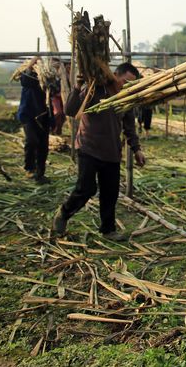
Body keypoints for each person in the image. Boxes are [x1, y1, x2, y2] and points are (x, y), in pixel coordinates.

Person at [52, 62, 146, 241]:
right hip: (89, 146)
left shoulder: (125, 98)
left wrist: (137, 150)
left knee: (110, 192)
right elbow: (70, 110)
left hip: (111, 151)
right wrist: (78, 86)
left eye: (131, 84)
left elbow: (129, 127)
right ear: (115, 76)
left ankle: (108, 230)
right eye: (125, 82)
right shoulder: (96, 88)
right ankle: (63, 214)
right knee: (86, 188)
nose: (127, 86)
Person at [17, 60, 51, 184]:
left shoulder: (48, 80)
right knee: (32, 141)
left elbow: (56, 88)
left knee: (43, 146)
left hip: (44, 117)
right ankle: (29, 168)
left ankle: (40, 173)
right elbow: (25, 78)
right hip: (28, 116)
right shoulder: (28, 79)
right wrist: (32, 63)